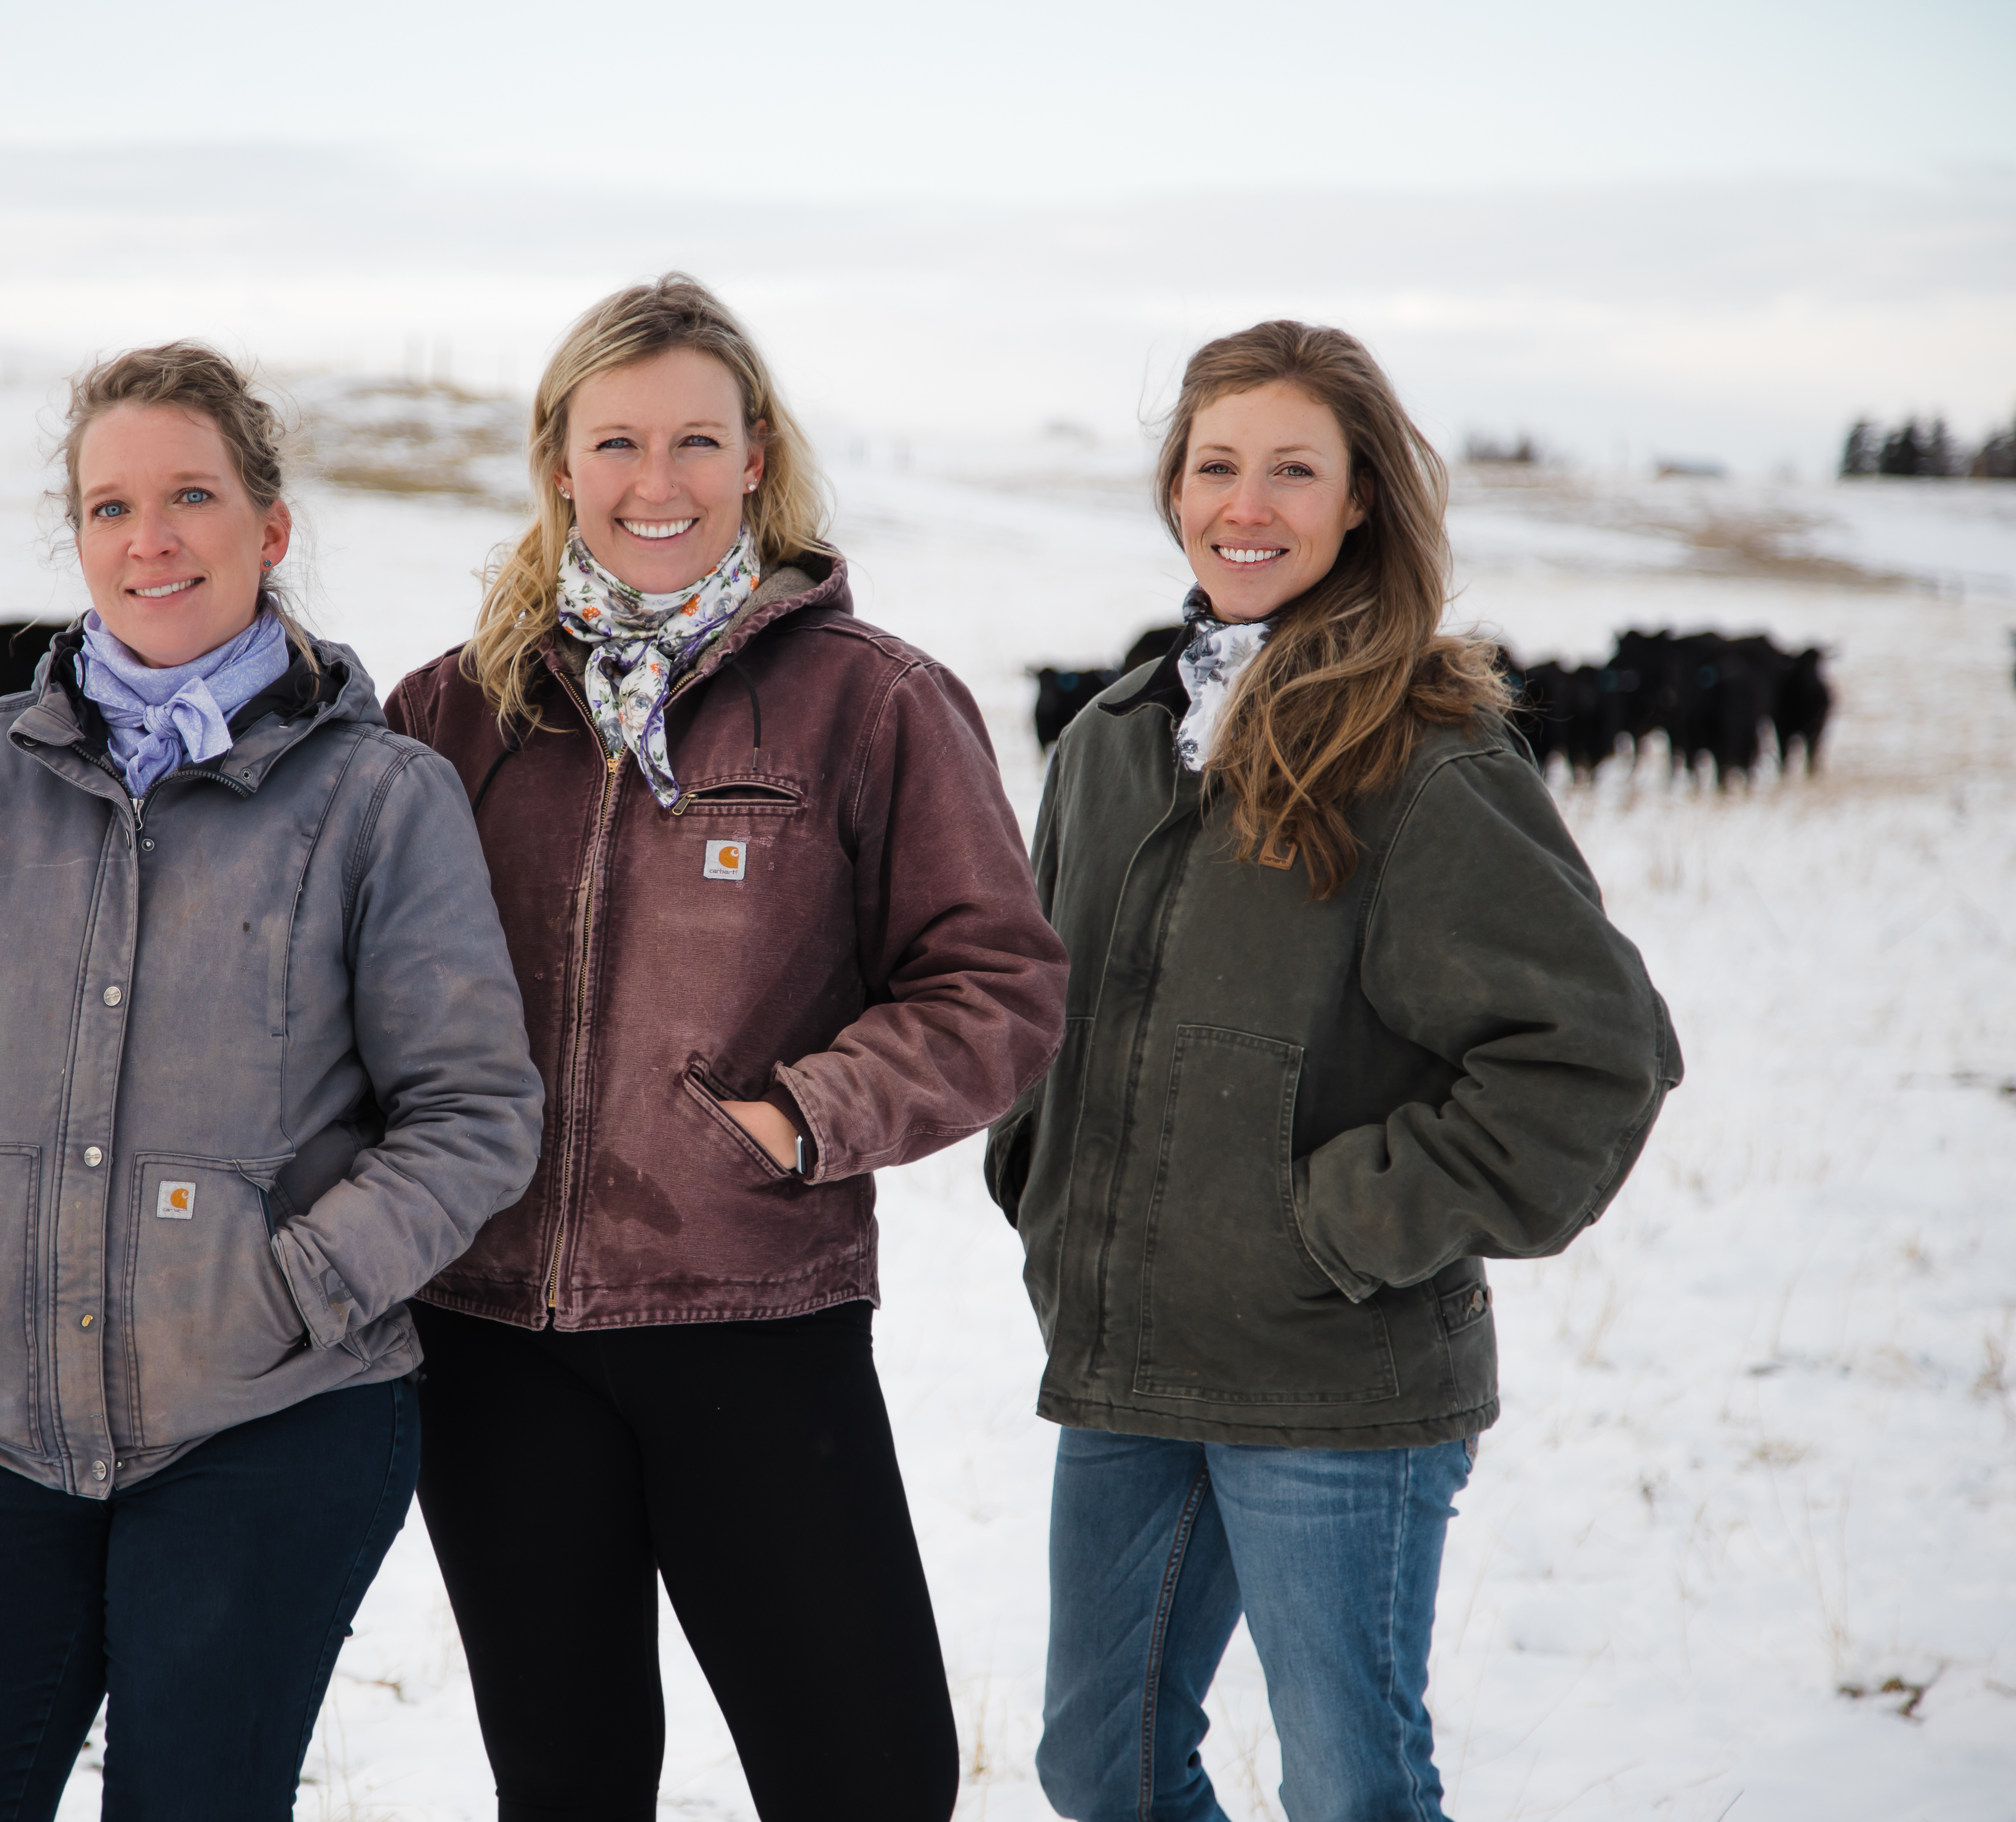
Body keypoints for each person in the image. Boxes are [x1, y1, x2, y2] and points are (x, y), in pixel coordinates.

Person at [0, 342, 542, 1820]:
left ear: (269, 528)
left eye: (192, 495)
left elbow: (474, 1111)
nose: (151, 538)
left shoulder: (379, 796)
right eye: (109, 506)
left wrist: (295, 1288)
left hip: (270, 1425)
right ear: (76, 538)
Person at [385, 274, 1069, 1822]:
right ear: (560, 462)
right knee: (566, 1786)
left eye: (698, 440)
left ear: (759, 458)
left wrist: (804, 1118)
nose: (656, 481)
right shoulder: (453, 713)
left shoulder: (869, 703)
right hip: (489, 1343)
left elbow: (999, 984)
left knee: (869, 1776)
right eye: (616, 440)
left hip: (752, 1323)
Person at [986, 319, 1684, 1822]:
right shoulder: (1112, 746)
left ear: (1360, 499)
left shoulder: (1426, 761)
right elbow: (1051, 1006)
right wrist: (1037, 1168)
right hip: (1130, 1365)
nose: (1250, 503)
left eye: (1294, 469)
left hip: (1334, 1383)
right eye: (1218, 464)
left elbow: (1594, 1056)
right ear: (1175, 489)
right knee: (1097, 1773)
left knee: (1352, 1790)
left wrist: (1340, 1226)